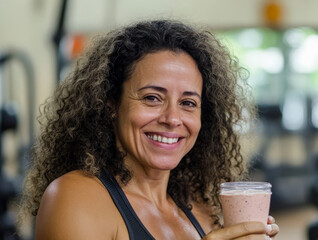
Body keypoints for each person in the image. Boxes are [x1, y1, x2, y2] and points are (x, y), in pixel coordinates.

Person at [19, 19, 279, 239]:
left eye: (188, 103)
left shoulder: (200, 207)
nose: (172, 118)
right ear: (111, 105)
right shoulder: (76, 197)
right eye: (152, 98)